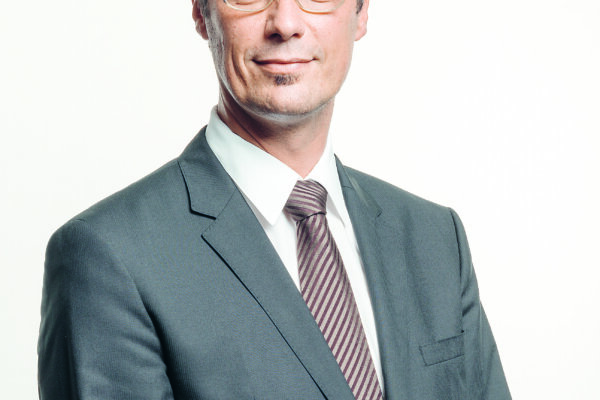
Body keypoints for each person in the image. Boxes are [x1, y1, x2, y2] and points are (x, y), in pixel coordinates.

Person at [38, 0, 511, 398]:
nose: (285, 23)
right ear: (201, 13)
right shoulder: (108, 257)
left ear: (361, 11)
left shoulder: (435, 238)